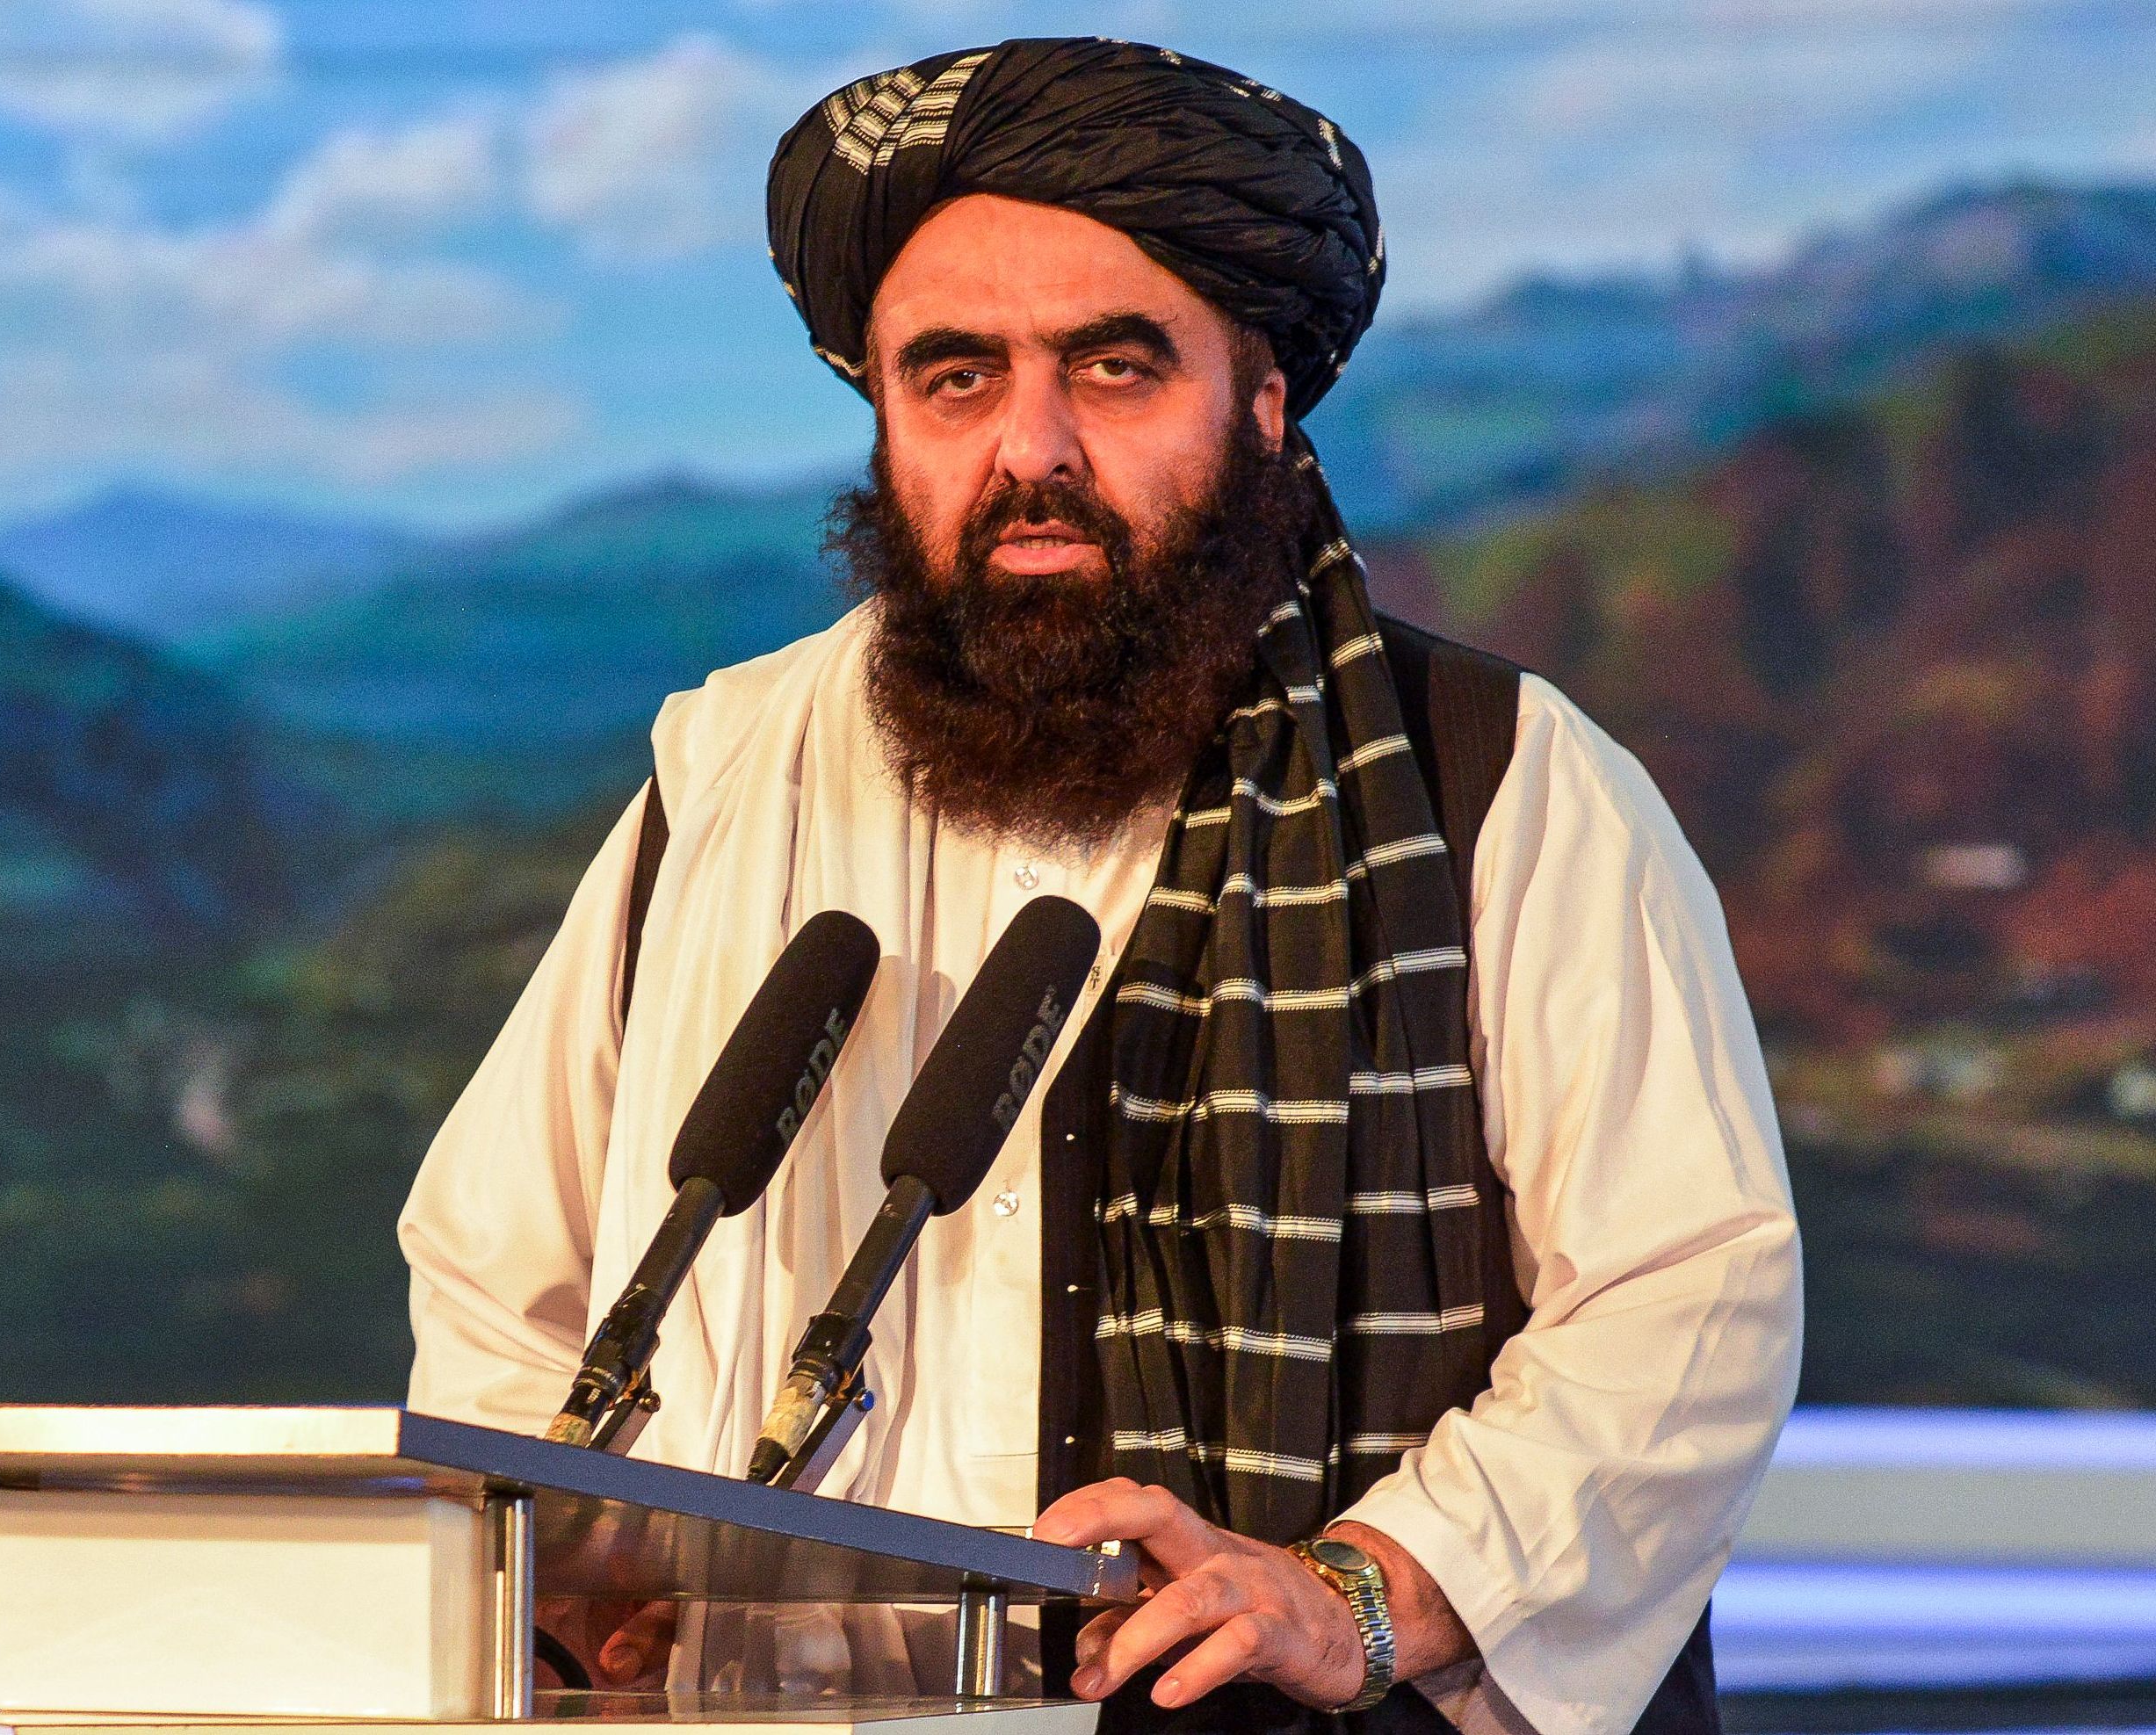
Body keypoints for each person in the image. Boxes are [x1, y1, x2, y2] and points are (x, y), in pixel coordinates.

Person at [398, 38, 1802, 1735]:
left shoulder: (1491, 774)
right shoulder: (726, 775)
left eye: (1115, 369)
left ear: (1261, 405)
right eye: (956, 379)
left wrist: (1366, 1589)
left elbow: (1687, 1295)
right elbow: (501, 1276)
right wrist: (562, 1585)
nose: (1031, 446)